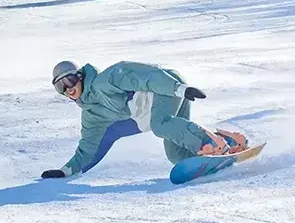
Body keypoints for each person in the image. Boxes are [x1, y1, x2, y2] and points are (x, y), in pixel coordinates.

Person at [39, 61, 248, 179]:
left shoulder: (106, 81)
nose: (68, 89)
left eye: (69, 80)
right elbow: (88, 148)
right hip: (164, 100)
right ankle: (230, 143)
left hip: (163, 88)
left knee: (160, 124)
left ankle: (211, 144)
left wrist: (178, 89)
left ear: (80, 76)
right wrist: (66, 171)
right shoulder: (92, 116)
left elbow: (144, 76)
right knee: (177, 155)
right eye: (60, 87)